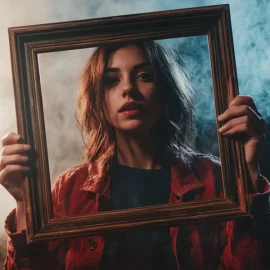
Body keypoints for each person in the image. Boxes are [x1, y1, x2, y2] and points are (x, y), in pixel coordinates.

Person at [0, 40, 269, 270]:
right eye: (111, 80)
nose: (128, 89)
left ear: (166, 93)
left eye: (144, 76)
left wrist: (249, 172)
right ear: (98, 100)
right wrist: (25, 203)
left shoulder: (214, 179)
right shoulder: (69, 190)